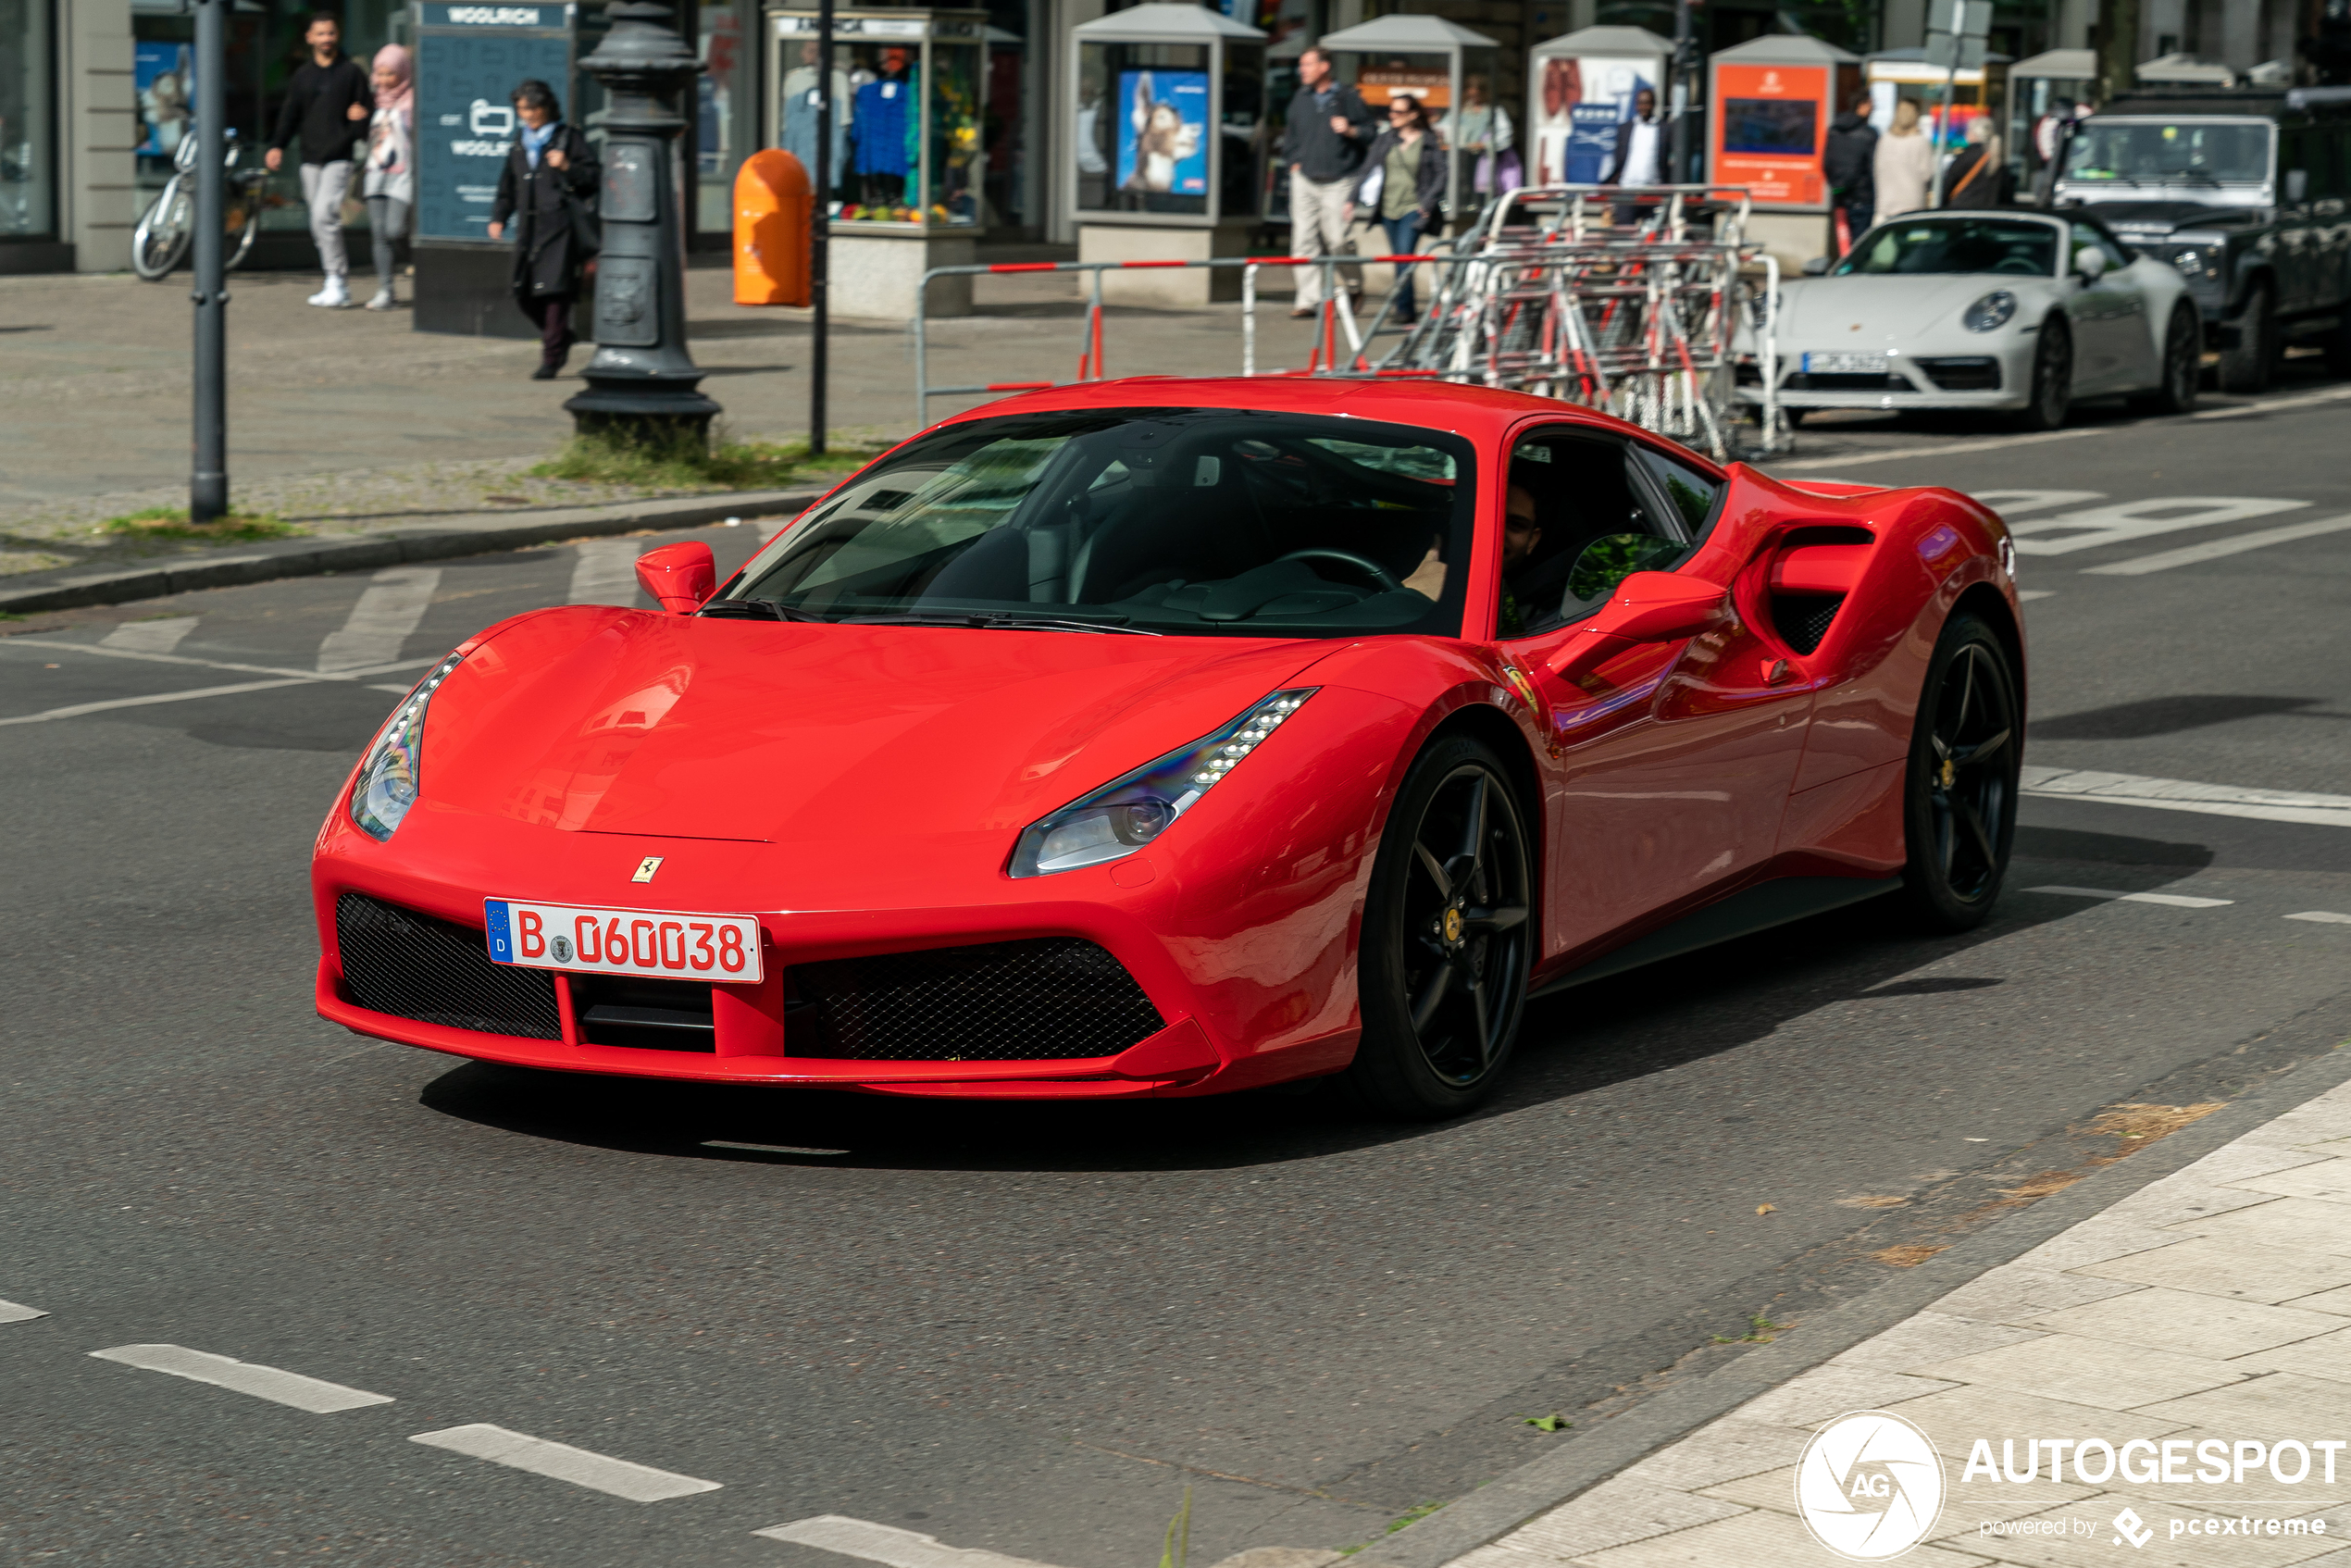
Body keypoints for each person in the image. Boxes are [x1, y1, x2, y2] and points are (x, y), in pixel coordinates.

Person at [487, 80, 599, 380]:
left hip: (560, 227)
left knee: (554, 294)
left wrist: (567, 167)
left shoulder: (568, 138)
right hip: (529, 228)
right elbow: (507, 184)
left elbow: (593, 177)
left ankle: (551, 358)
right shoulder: (520, 142)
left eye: (530, 109)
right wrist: (499, 217)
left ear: (545, 107)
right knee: (522, 292)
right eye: (521, 109)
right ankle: (560, 335)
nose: (526, 115)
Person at [266, 12, 373, 310]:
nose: (327, 39)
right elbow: (291, 114)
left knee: (324, 215)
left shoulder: (351, 72)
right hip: (310, 158)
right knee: (319, 222)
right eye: (321, 34)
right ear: (310, 38)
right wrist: (277, 146)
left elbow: (367, 113)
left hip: (339, 156)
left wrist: (358, 122)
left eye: (331, 33)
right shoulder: (303, 76)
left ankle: (336, 280)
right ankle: (336, 282)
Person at [1277, 46, 1378, 320]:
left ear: (1324, 67)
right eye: (1301, 65)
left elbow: (1371, 133)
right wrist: (1293, 162)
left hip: (1340, 178)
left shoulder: (1347, 97)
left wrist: (1351, 130)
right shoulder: (1301, 97)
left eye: (1307, 65)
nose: (1302, 70)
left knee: (1337, 240)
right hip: (1305, 179)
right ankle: (1308, 300)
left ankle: (1354, 285)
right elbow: (1292, 135)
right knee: (1303, 241)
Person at [1348, 93, 1445, 326]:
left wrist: (1428, 204)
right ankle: (1406, 306)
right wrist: (1351, 199)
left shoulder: (1428, 141)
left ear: (1412, 115)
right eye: (1391, 111)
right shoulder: (1386, 139)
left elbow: (1442, 174)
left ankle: (1404, 309)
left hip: (1414, 207)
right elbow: (1367, 169)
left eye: (1398, 112)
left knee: (1404, 256)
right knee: (1400, 259)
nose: (1392, 116)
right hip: (1389, 208)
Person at [359, 44, 413, 311]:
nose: (383, 80)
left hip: (402, 176)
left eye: (390, 74)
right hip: (376, 174)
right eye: (380, 74)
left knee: (395, 230)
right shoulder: (376, 101)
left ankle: (417, 262)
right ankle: (385, 290)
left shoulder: (411, 102)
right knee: (378, 234)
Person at [1443, 74, 1517, 205]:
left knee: (1481, 193)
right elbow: (1444, 128)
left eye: (1477, 94)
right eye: (1471, 93)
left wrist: (1485, 145)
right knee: (1463, 186)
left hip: (1484, 159)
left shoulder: (1494, 111)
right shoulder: (1461, 111)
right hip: (1463, 158)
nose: (1474, 97)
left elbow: (1505, 134)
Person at [1600, 87, 1664, 226]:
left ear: (1654, 104)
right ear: (1636, 105)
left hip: (1653, 192)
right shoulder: (1625, 128)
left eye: (1647, 103)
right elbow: (1617, 162)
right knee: (1623, 237)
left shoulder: (1664, 128)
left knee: (1652, 239)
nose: (1644, 107)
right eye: (1641, 103)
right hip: (1627, 191)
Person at [1823, 92, 1877, 250]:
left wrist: (1837, 185)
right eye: (1870, 105)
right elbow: (1873, 167)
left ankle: (1844, 271)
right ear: (1862, 105)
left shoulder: (1834, 130)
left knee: (1844, 244)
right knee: (1860, 245)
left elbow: (1826, 164)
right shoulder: (1869, 134)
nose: (1872, 109)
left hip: (1840, 197)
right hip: (1864, 196)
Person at [1872, 98, 1934, 218]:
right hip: (1912, 204)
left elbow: (1876, 169)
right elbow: (1927, 174)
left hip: (1886, 204)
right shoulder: (1920, 141)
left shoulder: (1884, 140)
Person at [1939, 117, 2003, 208]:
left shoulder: (1965, 157)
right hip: (1989, 212)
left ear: (1974, 134)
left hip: (1963, 209)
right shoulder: (1997, 157)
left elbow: (1949, 184)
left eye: (1968, 130)